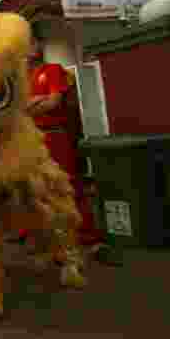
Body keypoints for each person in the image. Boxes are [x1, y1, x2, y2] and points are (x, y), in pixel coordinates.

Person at [17, 34, 123, 266]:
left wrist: (30, 106)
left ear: (39, 46)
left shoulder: (53, 70)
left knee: (69, 186)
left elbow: (53, 102)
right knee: (36, 190)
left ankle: (90, 239)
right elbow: (17, 110)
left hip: (55, 135)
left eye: (32, 43)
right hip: (31, 140)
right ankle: (50, 242)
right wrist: (37, 103)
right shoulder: (20, 79)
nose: (29, 48)